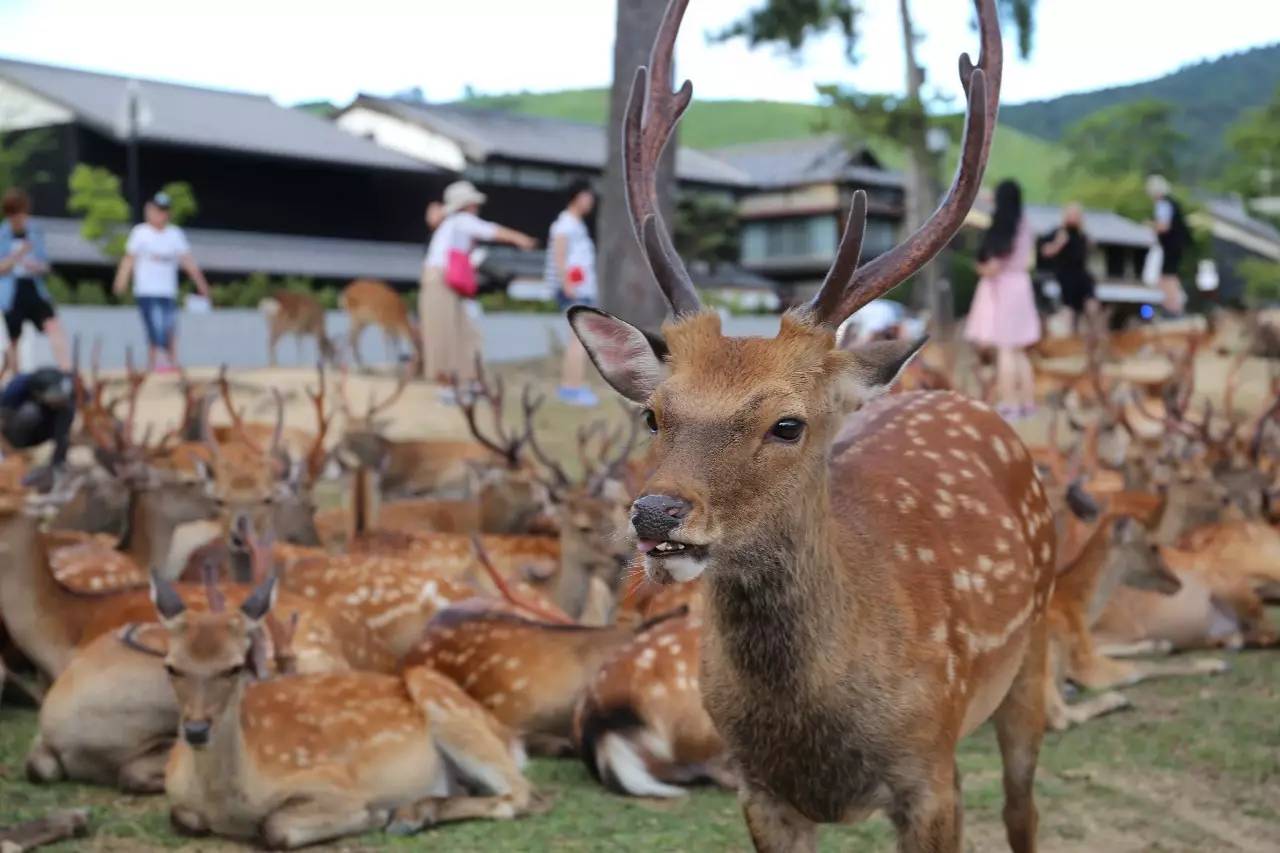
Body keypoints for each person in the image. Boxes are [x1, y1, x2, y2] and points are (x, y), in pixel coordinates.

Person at [420, 181, 535, 399]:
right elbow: (491, 231)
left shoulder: (453, 226)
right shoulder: (460, 221)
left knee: (465, 331)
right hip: (440, 280)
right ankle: (446, 386)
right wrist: (520, 239)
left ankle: (468, 380)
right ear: (466, 204)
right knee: (443, 332)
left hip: (451, 283)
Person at [964, 179, 1040, 421]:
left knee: (1005, 350)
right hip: (1021, 285)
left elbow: (994, 267)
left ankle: (1009, 404)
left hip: (1004, 288)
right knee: (1019, 351)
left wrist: (978, 268)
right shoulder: (1024, 222)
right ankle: (1027, 404)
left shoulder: (1004, 225)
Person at [112, 191, 210, 373]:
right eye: (157, 210)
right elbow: (129, 259)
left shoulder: (175, 234)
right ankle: (156, 362)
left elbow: (187, 260)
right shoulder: (140, 233)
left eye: (164, 211)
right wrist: (121, 280)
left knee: (170, 326)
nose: (160, 214)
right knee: (154, 326)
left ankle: (170, 362)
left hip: (168, 291)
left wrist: (201, 284)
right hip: (146, 291)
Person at [0, 188, 70, 371]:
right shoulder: (3, 234)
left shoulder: (35, 231)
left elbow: (45, 264)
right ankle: (16, 380)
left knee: (53, 325)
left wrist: (36, 266)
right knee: (14, 338)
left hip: (34, 288)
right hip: (10, 292)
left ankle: (67, 371)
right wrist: (18, 255)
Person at [546, 180, 599, 406]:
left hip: (580, 290)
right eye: (588, 196)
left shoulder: (576, 224)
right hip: (573, 291)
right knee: (579, 340)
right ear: (577, 197)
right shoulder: (565, 224)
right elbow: (559, 255)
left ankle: (571, 385)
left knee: (578, 340)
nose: (591, 201)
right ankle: (571, 388)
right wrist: (567, 285)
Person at [0, 367, 75, 489]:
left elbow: (62, 437)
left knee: (64, 412)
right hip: (13, 433)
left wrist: (57, 466)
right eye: (55, 398)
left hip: (41, 433)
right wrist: (10, 452)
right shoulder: (17, 388)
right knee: (29, 413)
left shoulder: (65, 401)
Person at [1041, 203, 1098, 334]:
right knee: (1068, 311)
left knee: (1092, 306)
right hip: (1065, 276)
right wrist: (1058, 243)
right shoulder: (1058, 232)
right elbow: (1045, 252)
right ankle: (1070, 335)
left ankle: (1092, 334)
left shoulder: (1083, 235)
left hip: (1081, 276)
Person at [1146, 174, 1191, 316]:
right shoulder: (1171, 203)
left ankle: (1174, 308)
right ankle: (1171, 307)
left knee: (1167, 276)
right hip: (1175, 246)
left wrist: (1150, 225)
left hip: (1170, 246)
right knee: (1166, 276)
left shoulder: (1163, 204)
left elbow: (1164, 226)